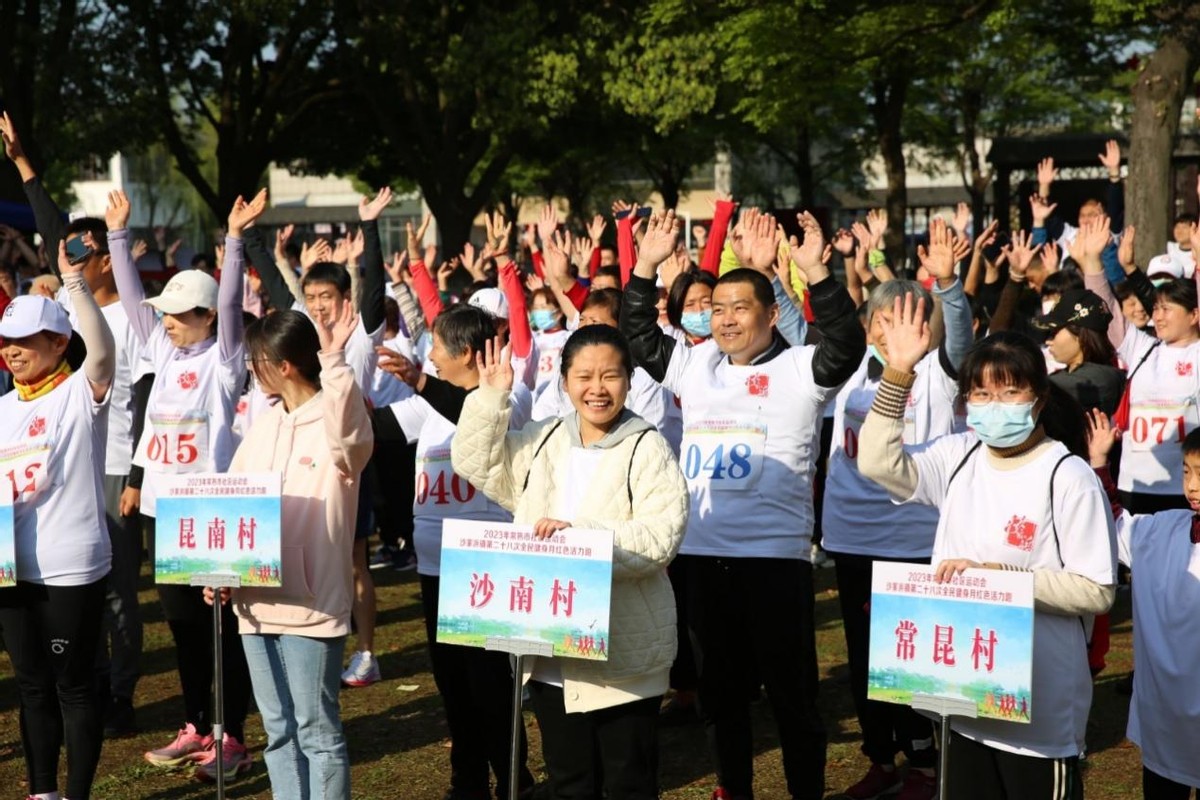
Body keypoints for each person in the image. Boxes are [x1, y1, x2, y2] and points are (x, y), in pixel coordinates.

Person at [620, 209, 865, 800]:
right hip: (703, 558)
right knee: (720, 694)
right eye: (717, 309)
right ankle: (734, 787)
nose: (725, 319)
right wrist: (646, 265)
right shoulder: (697, 363)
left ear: (770, 313)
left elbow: (847, 344)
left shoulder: (801, 369)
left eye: (739, 308)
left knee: (791, 697)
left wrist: (819, 277)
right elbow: (639, 336)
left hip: (774, 563)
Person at [858, 299, 1117, 799]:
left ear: (1038, 398)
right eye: (981, 393)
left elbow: (1096, 590)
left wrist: (997, 579)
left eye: (1009, 391)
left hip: (1040, 712)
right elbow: (877, 463)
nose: (993, 405)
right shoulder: (959, 456)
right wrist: (898, 372)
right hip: (963, 705)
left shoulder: (1067, 476)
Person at [451, 325, 688, 800]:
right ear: (563, 381)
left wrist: (580, 541)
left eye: (610, 376)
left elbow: (661, 535)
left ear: (629, 380)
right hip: (553, 650)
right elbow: (475, 464)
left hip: (624, 653)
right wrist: (489, 398)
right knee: (570, 782)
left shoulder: (646, 446)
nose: (596, 389)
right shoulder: (543, 439)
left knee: (628, 782)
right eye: (583, 376)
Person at [0, 111, 148, 737]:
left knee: (115, 590)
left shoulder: (137, 317)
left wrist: (139, 470)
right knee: (63, 592)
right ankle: (74, 686)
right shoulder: (65, 311)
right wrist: (23, 164)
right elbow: (57, 237)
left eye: (93, 251)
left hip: (115, 465)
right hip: (57, 473)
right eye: (75, 252)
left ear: (112, 259)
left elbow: (145, 396)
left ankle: (117, 692)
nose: (80, 258)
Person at [109, 188, 264, 780]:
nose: (166, 321)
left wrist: (233, 240)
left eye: (178, 314)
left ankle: (233, 737)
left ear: (204, 318)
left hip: (211, 513)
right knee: (181, 626)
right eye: (165, 314)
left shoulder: (224, 360)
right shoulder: (161, 351)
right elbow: (130, 302)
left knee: (222, 628)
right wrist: (119, 237)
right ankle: (198, 724)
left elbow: (229, 307)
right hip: (163, 511)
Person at [822, 218, 973, 800]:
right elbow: (792, 326)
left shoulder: (938, 371)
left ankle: (926, 764)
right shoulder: (851, 370)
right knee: (863, 659)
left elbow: (958, 338)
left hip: (913, 539)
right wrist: (812, 272)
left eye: (907, 317)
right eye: (882, 319)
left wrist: (949, 286)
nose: (893, 329)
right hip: (852, 537)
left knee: (907, 652)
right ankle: (880, 757)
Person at [208, 302, 373, 800]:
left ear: (283, 366)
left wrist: (336, 359)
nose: (251, 370)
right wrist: (216, 571)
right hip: (255, 603)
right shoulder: (264, 423)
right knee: (278, 731)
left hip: (311, 603)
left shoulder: (337, 418)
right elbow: (233, 503)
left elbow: (351, 438)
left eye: (258, 360)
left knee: (317, 733)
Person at [373, 303, 537, 800]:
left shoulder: (512, 393)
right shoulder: (428, 401)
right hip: (436, 564)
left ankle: (514, 779)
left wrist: (421, 382)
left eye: (438, 347)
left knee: (490, 686)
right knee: (453, 685)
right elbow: (374, 428)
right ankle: (467, 781)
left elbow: (473, 411)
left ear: (466, 351)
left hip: (485, 564)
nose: (431, 356)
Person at [0, 239, 115, 800]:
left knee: (72, 686)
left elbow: (102, 352)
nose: (13, 351)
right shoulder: (1, 408)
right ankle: (41, 790)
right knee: (31, 687)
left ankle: (76, 795)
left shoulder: (78, 392)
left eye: (25, 341)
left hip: (70, 565)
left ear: (57, 342)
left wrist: (74, 283)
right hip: (11, 566)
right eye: (6, 341)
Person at [1088, 412, 1200, 800]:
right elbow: (1115, 522)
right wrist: (1100, 462)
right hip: (1164, 717)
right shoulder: (1166, 527)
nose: (1192, 486)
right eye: (1186, 472)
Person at [1077, 216, 1200, 512]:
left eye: (1167, 309)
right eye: (1155, 309)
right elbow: (1105, 312)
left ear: (1194, 315)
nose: (1157, 316)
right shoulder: (1143, 348)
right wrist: (1093, 263)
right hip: (1134, 487)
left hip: (1181, 492)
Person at [1032, 288, 1124, 417]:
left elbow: (1037, 388)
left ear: (1080, 336)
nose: (1048, 341)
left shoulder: (1103, 378)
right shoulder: (1064, 376)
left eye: (1054, 333)